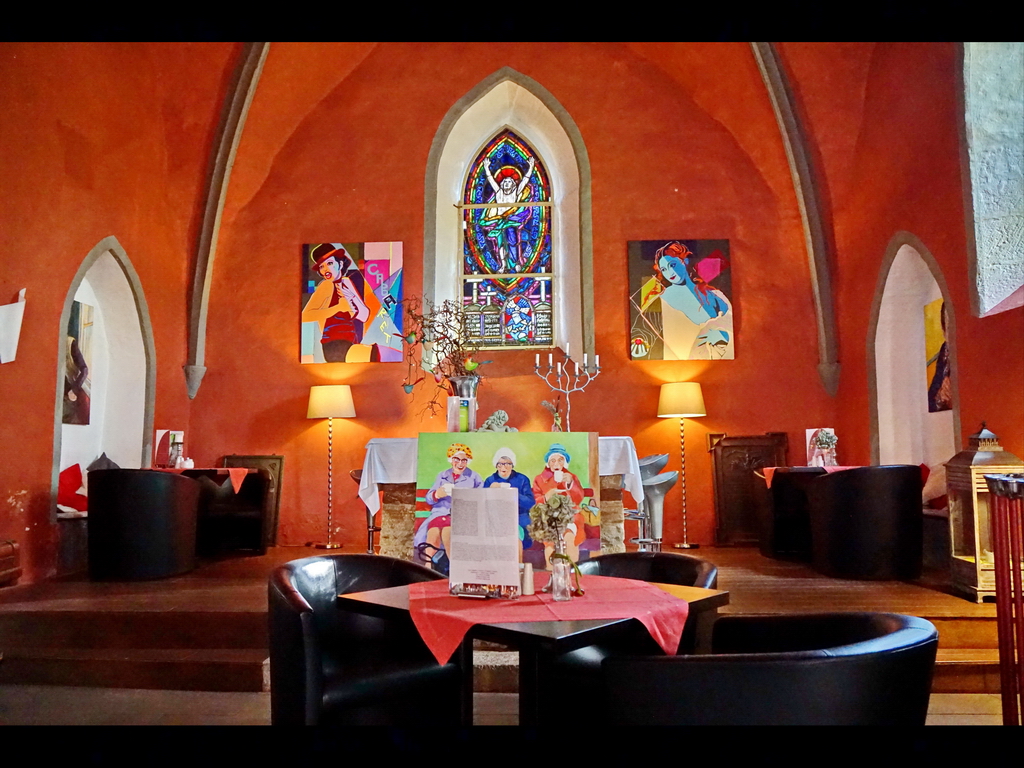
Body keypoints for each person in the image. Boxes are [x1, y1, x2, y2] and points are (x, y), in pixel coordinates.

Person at [649, 241, 733, 360]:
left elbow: (732, 323)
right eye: (664, 269)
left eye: (672, 265)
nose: (670, 272)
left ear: (685, 262)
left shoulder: (714, 294)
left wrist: (723, 335)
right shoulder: (663, 299)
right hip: (686, 361)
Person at [414, 443, 483, 572]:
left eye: (464, 460)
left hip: (462, 514)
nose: (460, 463)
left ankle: (453, 566)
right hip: (440, 513)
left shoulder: (474, 477)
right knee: (434, 529)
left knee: (446, 529)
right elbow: (429, 498)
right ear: (451, 460)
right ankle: (428, 566)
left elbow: (481, 498)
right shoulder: (442, 475)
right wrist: (437, 494)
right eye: (457, 459)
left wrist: (467, 497)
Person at [301, 244, 375, 363]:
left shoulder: (346, 282)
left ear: (340, 264)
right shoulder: (326, 285)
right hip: (334, 344)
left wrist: (352, 298)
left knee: (378, 354)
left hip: (351, 341)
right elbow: (305, 316)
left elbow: (364, 315)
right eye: (322, 266)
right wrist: (338, 308)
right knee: (376, 354)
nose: (325, 269)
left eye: (329, 263)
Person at [532, 443, 586, 565]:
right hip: (547, 515)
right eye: (553, 460)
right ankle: (551, 570)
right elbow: (535, 501)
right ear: (548, 463)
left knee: (569, 537)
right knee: (550, 542)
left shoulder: (570, 477)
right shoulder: (539, 479)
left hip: (569, 515)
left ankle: (571, 570)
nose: (556, 464)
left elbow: (578, 498)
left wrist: (570, 484)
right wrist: (547, 497)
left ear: (565, 463)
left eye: (560, 460)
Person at [480, 156, 536, 272]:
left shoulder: (516, 193)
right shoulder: (499, 193)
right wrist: (486, 168)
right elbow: (491, 180)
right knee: (500, 244)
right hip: (500, 222)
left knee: (513, 243)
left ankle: (516, 263)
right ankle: (503, 265)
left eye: (509, 182)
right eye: (504, 182)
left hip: (511, 223)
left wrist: (531, 167)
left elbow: (525, 180)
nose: (506, 183)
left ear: (513, 185)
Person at [482, 447, 535, 559]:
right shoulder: (490, 480)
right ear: (496, 465)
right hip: (496, 519)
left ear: (512, 465)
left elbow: (530, 503)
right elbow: (483, 505)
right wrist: (490, 491)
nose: (504, 467)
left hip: (518, 519)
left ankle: (519, 566)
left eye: (508, 464)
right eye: (500, 464)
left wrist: (513, 493)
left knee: (515, 535)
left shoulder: (522, 479)